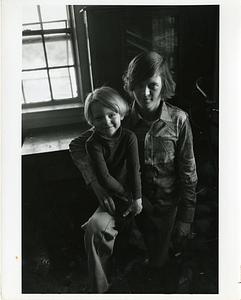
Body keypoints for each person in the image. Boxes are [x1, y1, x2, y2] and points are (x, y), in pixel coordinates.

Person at [69, 51, 198, 293]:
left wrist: (186, 218)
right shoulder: (119, 118)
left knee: (159, 270)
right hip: (122, 198)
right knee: (95, 229)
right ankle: (101, 291)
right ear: (130, 86)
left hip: (162, 206)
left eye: (152, 85)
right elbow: (77, 145)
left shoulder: (179, 121)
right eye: (139, 85)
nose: (146, 93)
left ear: (164, 85)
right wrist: (96, 185)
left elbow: (189, 173)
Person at [83, 86, 142, 229]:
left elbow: (135, 169)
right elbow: (104, 177)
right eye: (99, 118)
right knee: (117, 224)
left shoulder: (129, 137)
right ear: (92, 121)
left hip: (131, 189)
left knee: (146, 215)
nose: (106, 121)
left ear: (121, 114)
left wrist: (137, 197)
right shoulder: (92, 144)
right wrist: (126, 195)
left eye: (111, 115)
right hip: (110, 193)